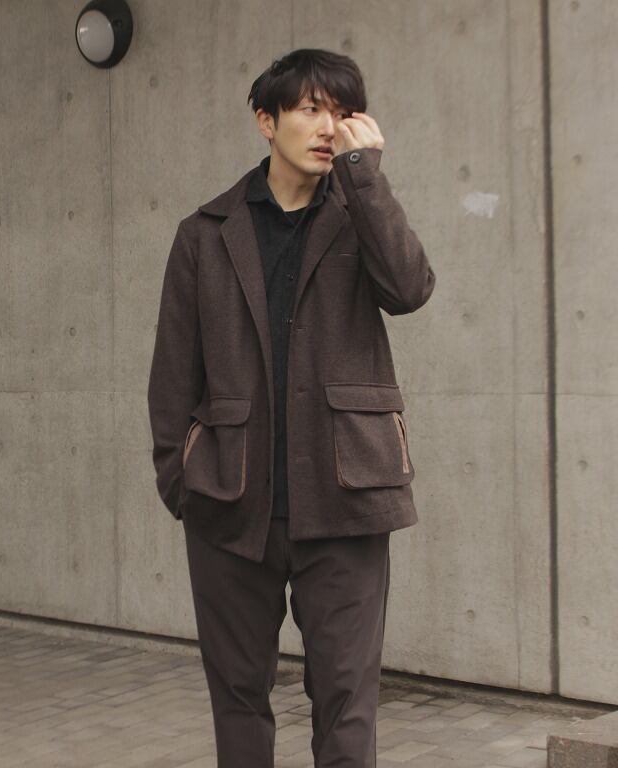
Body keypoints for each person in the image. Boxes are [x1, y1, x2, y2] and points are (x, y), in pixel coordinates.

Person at [146, 48, 436, 768]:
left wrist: (365, 177)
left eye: (342, 111)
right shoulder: (205, 233)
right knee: (239, 701)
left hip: (346, 500)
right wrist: (180, 481)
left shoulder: (360, 214)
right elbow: (173, 375)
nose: (327, 126)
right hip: (228, 503)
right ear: (265, 121)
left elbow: (409, 289)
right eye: (310, 109)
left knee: (346, 705)